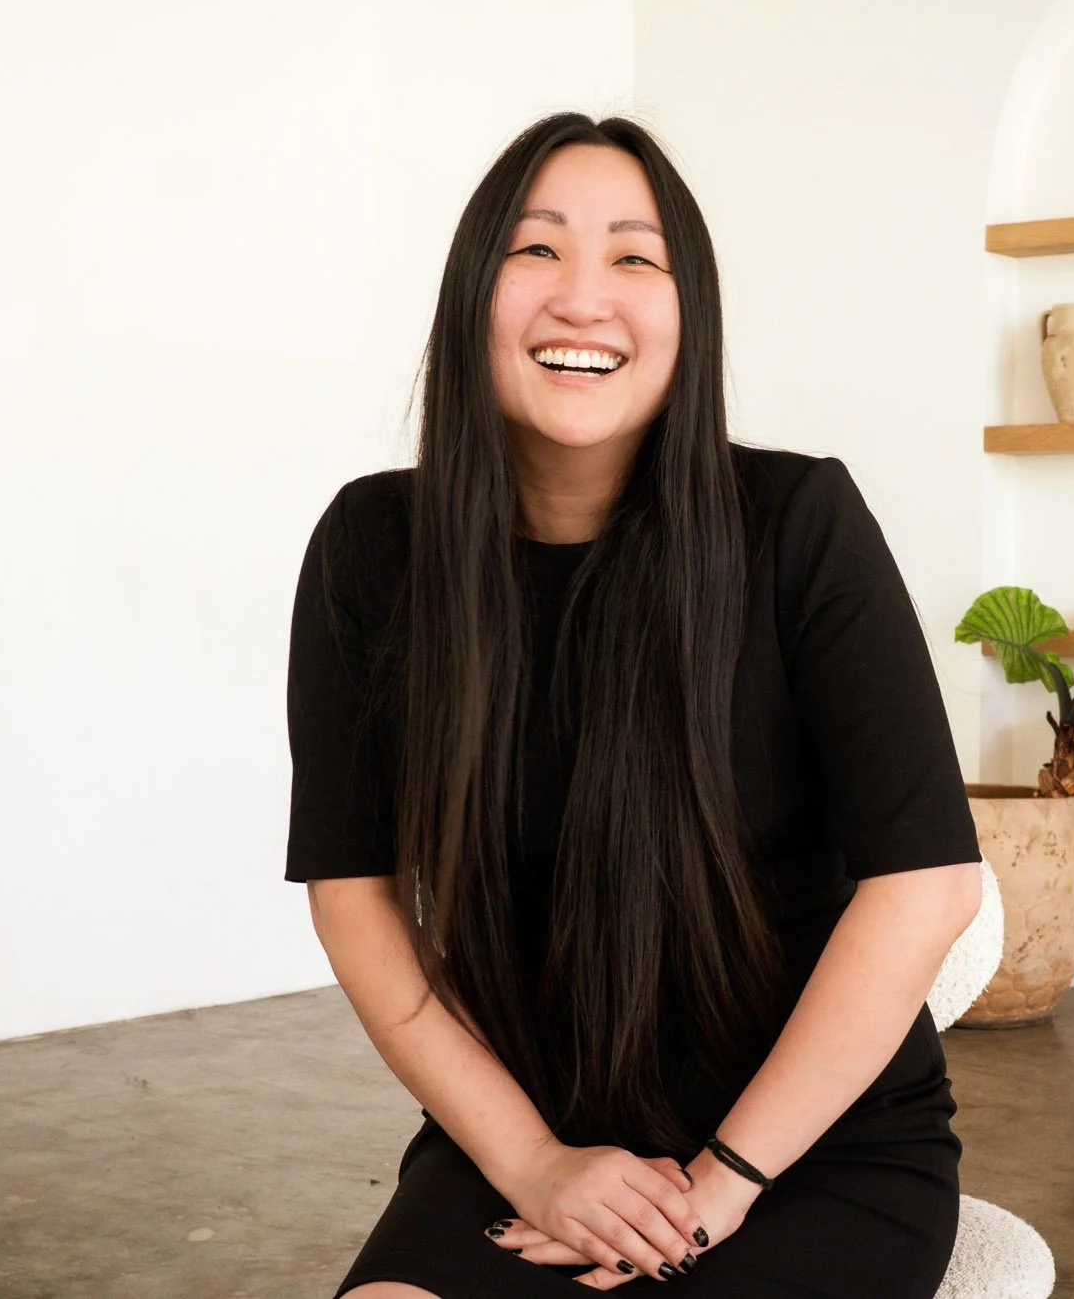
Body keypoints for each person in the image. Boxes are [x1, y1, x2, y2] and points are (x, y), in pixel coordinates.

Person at [285, 112, 984, 1298]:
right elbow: (354, 897)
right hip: (529, 1134)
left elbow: (927, 884)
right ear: (472, 295)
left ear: (686, 313)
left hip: (806, 1152)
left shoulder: (796, 525)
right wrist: (532, 1163)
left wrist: (715, 1188)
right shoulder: (373, 546)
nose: (582, 298)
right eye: (535, 248)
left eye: (632, 257)